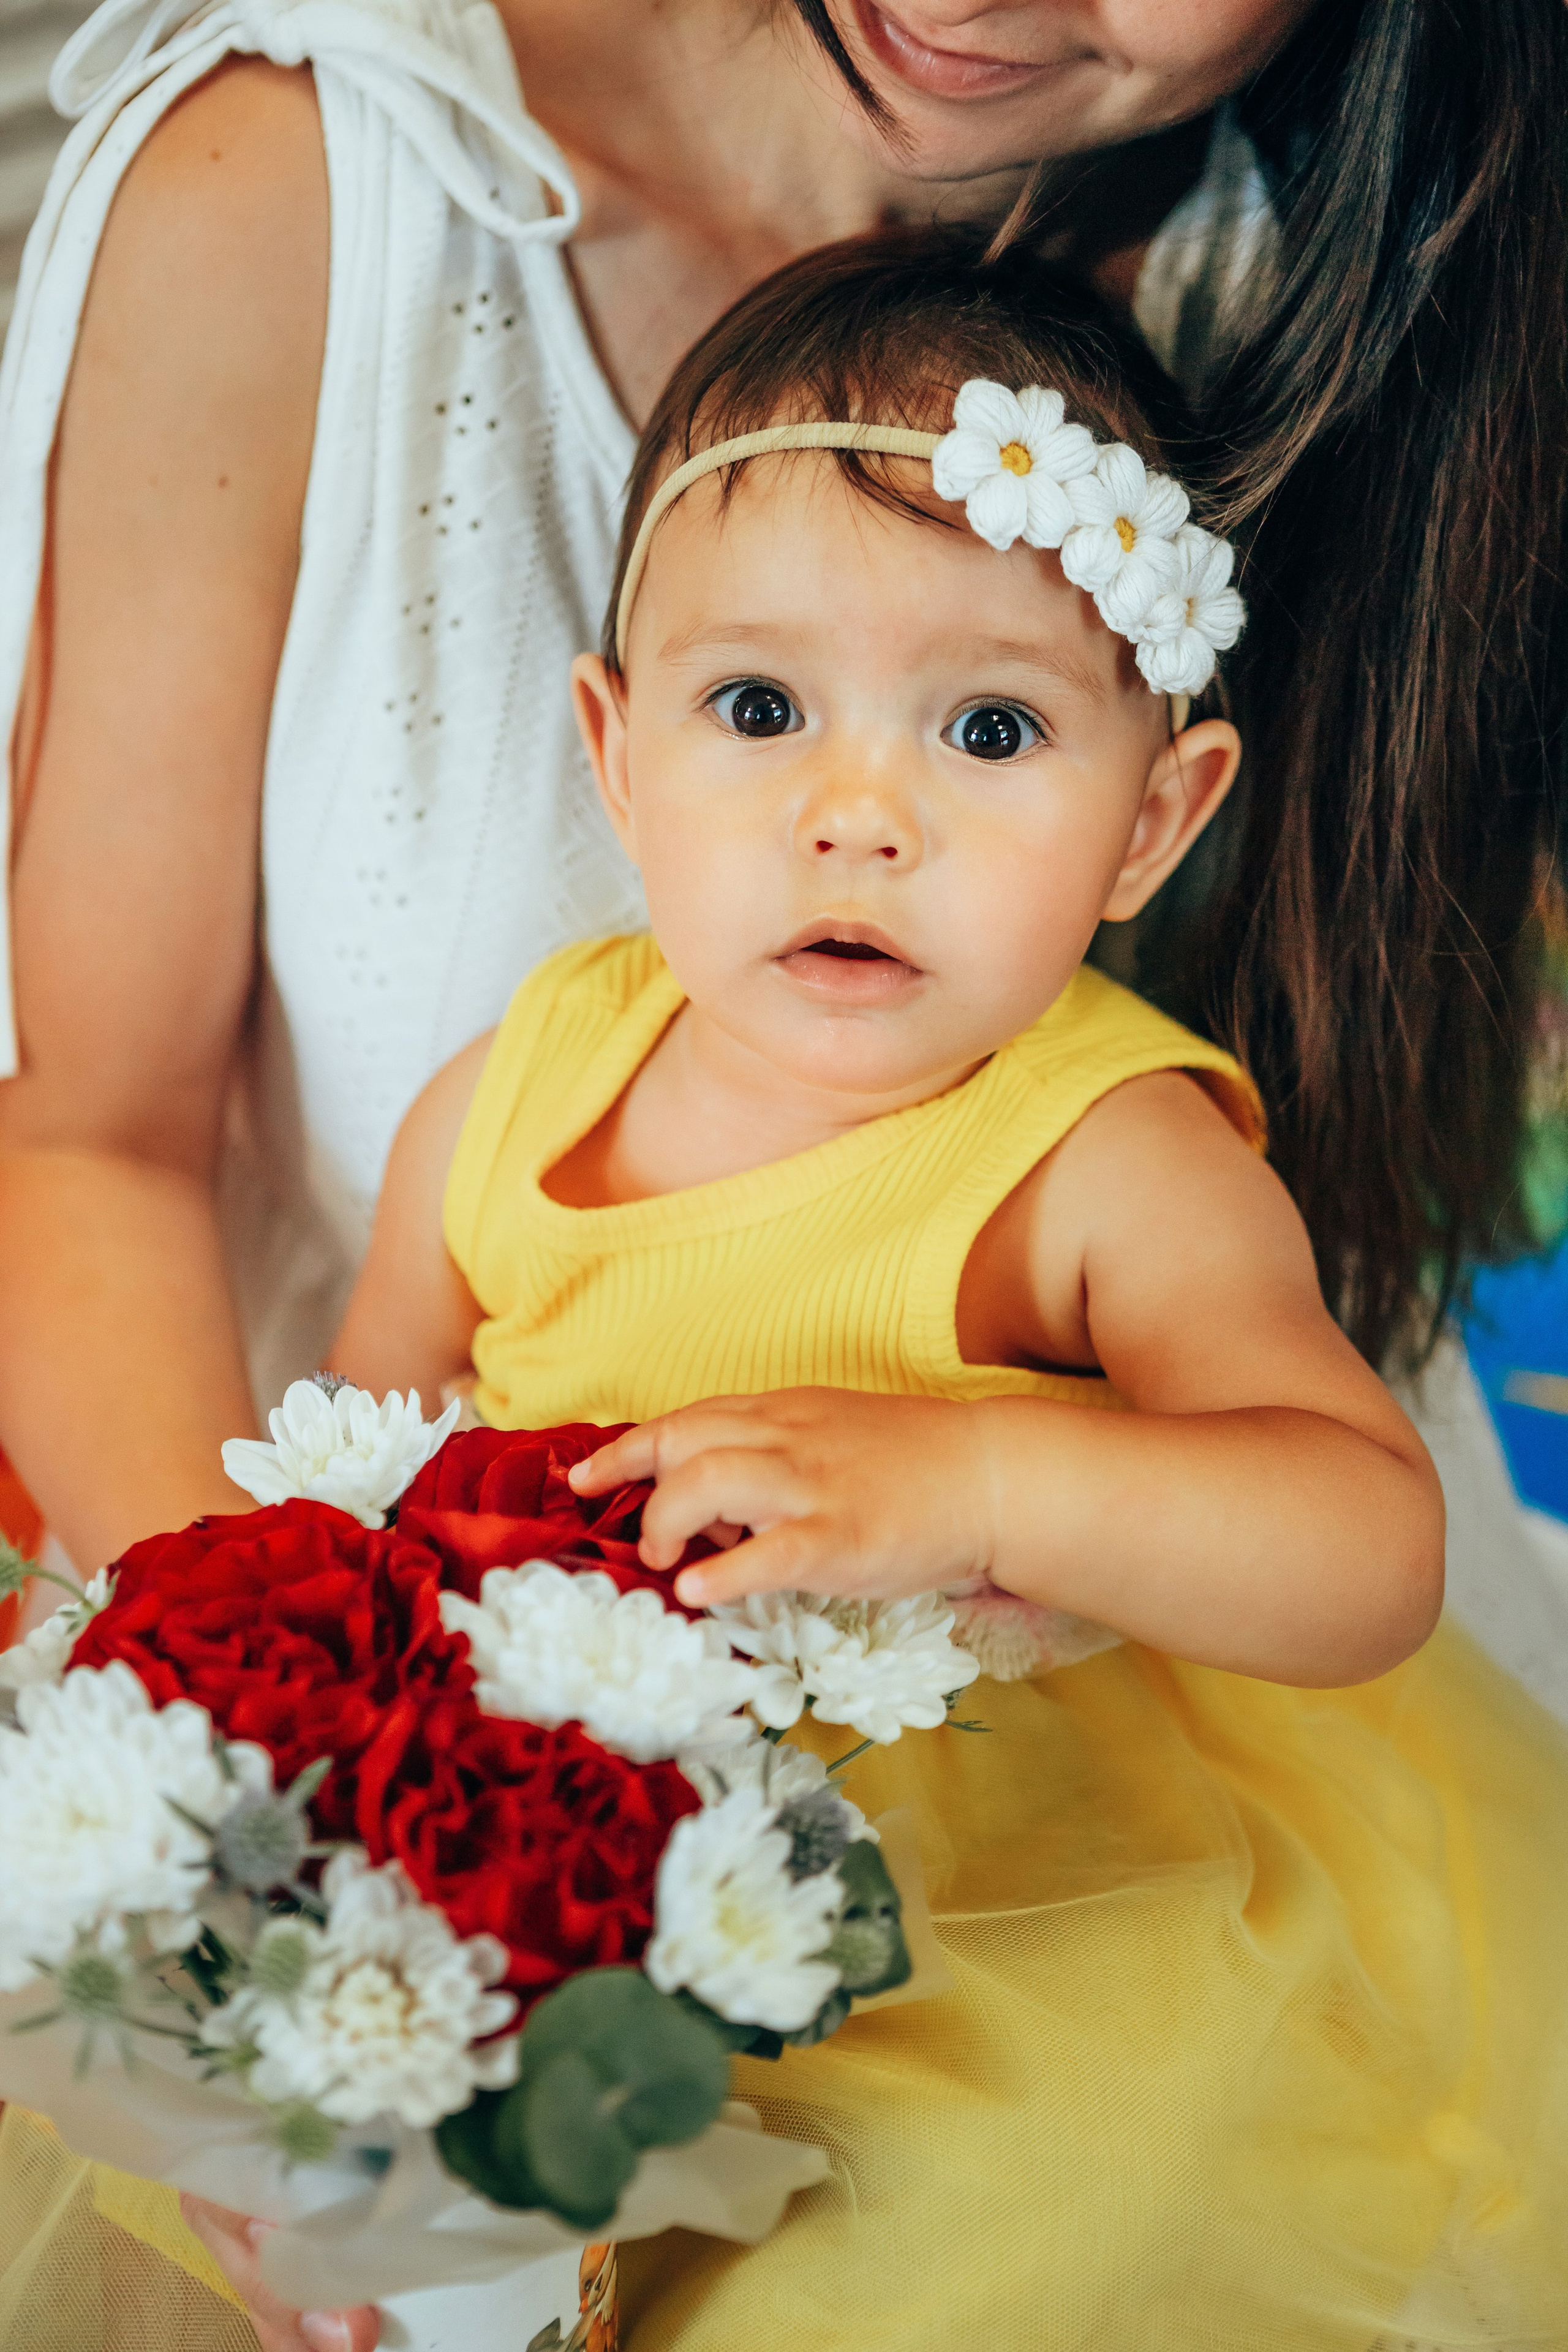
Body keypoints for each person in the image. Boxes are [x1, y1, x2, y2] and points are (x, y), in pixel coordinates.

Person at [325, 233, 1564, 2343]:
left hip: (1011, 1906)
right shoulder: (513, 1091)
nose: (858, 813)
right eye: (757, 708)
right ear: (617, 758)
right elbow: (349, 1483)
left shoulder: (1103, 1151)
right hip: (569, 1869)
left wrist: (980, 1481)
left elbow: (1365, 1548)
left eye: (989, 726)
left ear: (1153, 821)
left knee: (952, 2236)